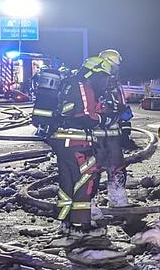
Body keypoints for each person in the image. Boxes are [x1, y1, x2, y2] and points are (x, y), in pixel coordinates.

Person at [47, 56, 109, 235]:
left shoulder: (68, 82)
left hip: (62, 140)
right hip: (77, 142)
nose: (103, 82)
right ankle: (80, 226)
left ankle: (65, 222)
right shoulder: (83, 85)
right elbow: (87, 116)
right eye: (103, 77)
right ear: (94, 73)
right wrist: (104, 118)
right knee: (85, 180)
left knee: (67, 182)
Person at [94, 49, 135, 208]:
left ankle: (118, 201)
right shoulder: (94, 83)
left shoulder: (116, 86)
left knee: (117, 168)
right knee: (92, 172)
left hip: (113, 137)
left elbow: (123, 108)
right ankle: (89, 205)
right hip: (95, 137)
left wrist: (125, 130)